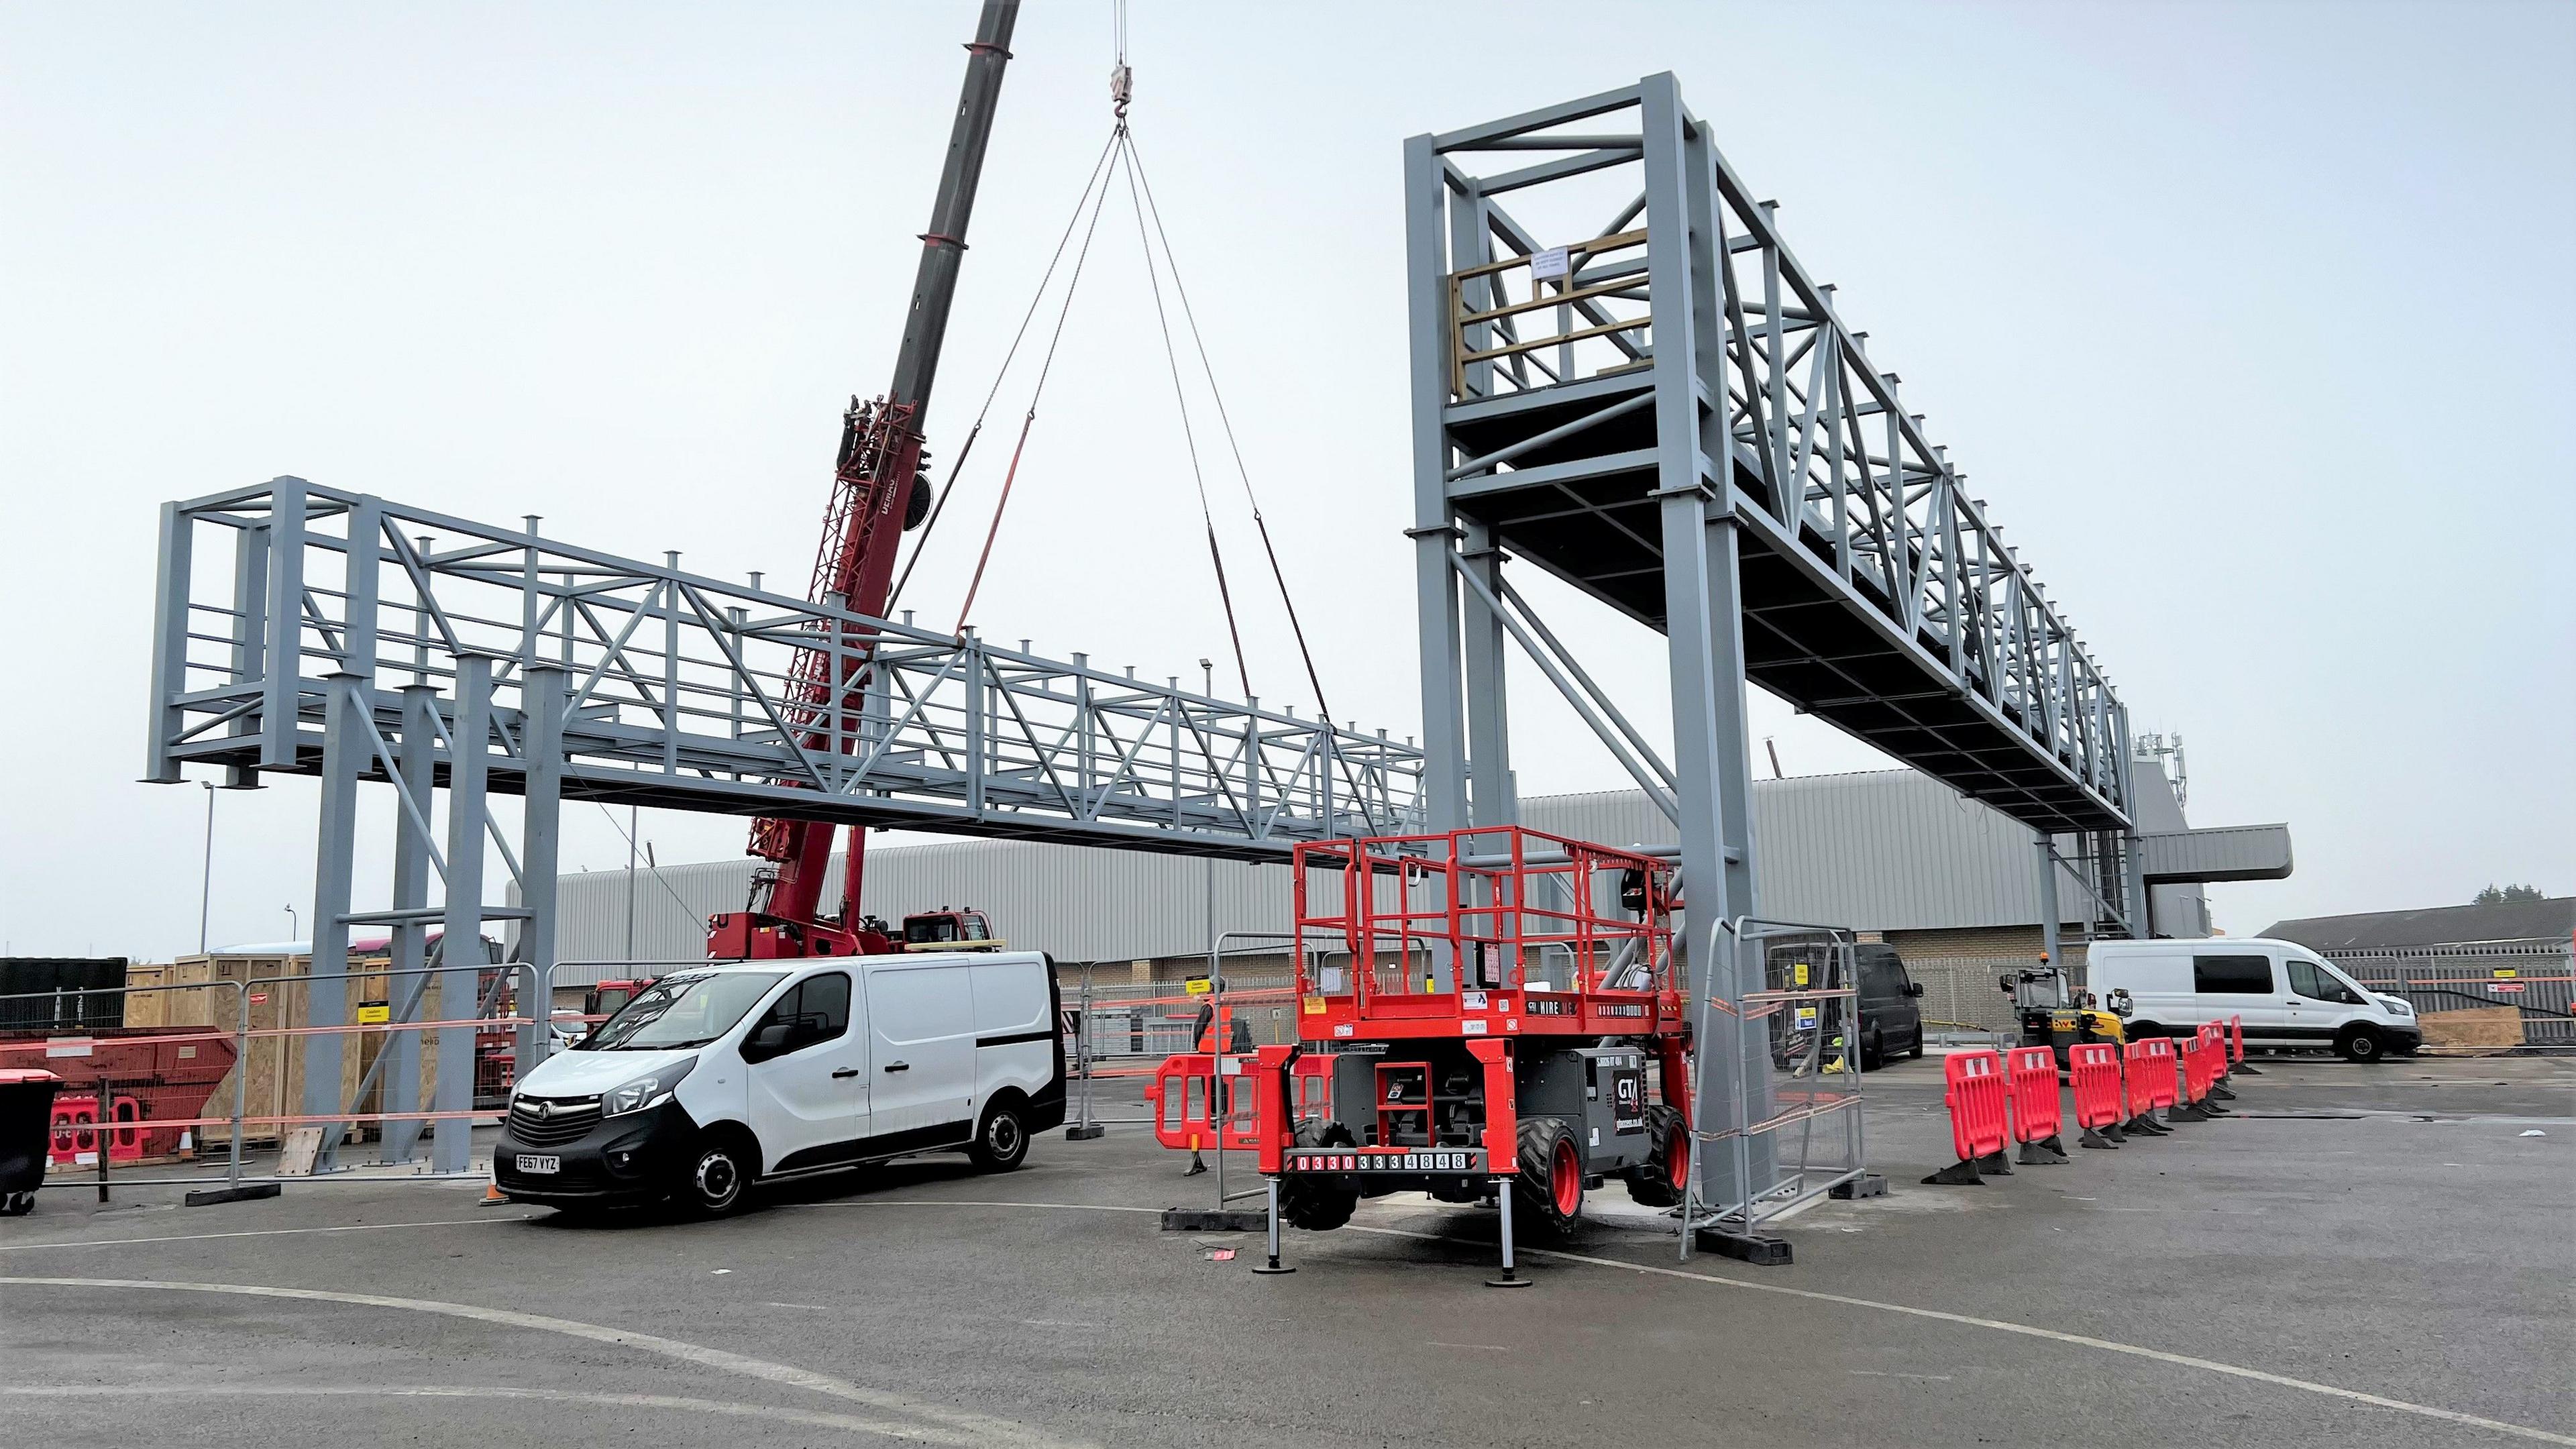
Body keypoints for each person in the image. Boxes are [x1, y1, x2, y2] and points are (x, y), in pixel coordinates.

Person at [1181, 995, 1256, 1177]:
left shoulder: (1209, 1007)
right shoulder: (1225, 1005)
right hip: (1223, 1050)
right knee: (1221, 1085)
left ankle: (1215, 1119)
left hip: (1208, 1052)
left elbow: (1199, 1028)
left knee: (1209, 1087)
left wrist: (1197, 1045)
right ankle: (1221, 1116)